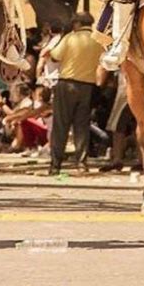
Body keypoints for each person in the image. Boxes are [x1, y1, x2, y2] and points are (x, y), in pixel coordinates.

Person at [47, 12, 103, 174]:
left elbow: (56, 56)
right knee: (82, 126)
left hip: (67, 84)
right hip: (87, 86)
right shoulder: (97, 40)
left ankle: (55, 165)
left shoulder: (71, 38)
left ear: (77, 23)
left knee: (60, 126)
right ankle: (81, 163)